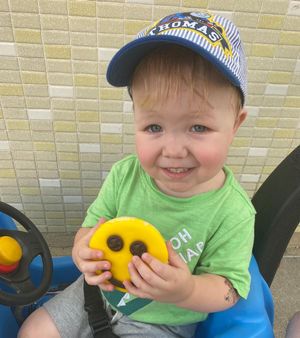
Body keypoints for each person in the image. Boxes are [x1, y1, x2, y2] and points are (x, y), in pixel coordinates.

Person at [19, 11, 255, 338]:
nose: (172, 149)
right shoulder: (124, 174)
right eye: (153, 127)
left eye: (198, 127)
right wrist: (82, 251)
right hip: (95, 293)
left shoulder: (234, 212)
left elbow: (229, 289)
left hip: (164, 318)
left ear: (235, 126)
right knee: (33, 331)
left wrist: (185, 290)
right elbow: (91, 228)